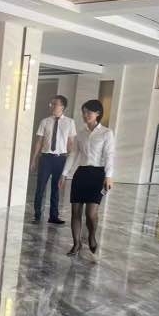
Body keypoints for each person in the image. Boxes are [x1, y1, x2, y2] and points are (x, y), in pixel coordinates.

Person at [62, 99, 115, 257]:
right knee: (75, 211)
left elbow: (110, 155)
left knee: (91, 214)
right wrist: (64, 174)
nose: (85, 115)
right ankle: (76, 243)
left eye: (88, 112)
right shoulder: (81, 133)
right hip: (81, 174)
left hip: (98, 175)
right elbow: (74, 154)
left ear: (98, 113)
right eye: (84, 112)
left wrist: (109, 176)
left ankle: (91, 235)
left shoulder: (106, 133)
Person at [30, 95, 76, 224]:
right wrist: (34, 159)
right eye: (51, 104)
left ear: (62, 107)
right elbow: (39, 141)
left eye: (55, 104)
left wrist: (70, 161)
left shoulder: (70, 122)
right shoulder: (45, 121)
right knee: (40, 187)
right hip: (46, 158)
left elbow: (71, 142)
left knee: (56, 188)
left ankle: (53, 216)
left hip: (60, 159)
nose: (52, 106)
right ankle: (37, 214)